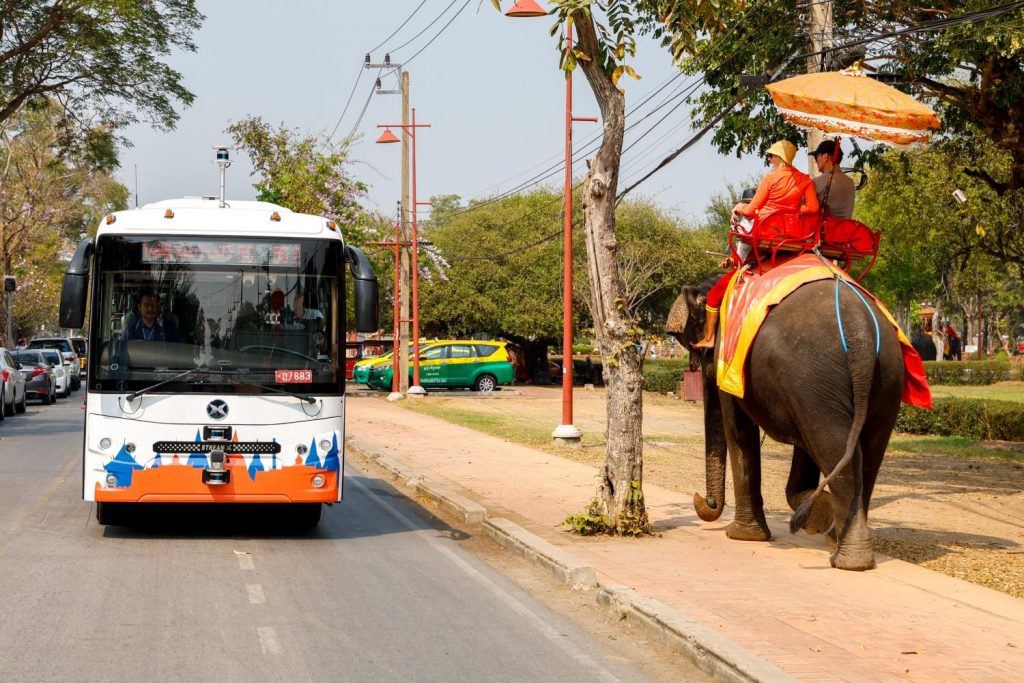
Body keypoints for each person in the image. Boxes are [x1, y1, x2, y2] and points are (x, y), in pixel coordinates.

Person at [693, 140, 819, 349]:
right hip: (792, 237)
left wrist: (739, 207)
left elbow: (752, 211)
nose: (769, 160)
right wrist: (796, 211)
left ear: (778, 158)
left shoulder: (770, 178)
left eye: (771, 156)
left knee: (715, 295)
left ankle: (709, 338)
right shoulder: (804, 180)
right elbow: (813, 207)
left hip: (765, 235)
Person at [810, 140, 856, 218]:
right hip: (846, 229)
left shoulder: (816, 183)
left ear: (825, 157)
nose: (815, 162)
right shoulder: (850, 182)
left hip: (826, 229)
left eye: (816, 157)